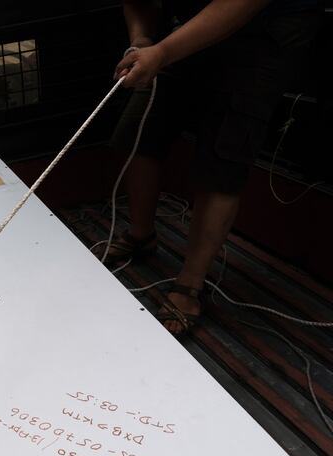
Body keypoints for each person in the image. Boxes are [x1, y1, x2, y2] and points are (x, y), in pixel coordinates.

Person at [104, 0, 318, 335]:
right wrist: (144, 40)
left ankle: (190, 286)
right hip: (189, 21)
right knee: (137, 132)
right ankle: (140, 235)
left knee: (223, 156)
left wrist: (162, 52)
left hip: (266, 31)